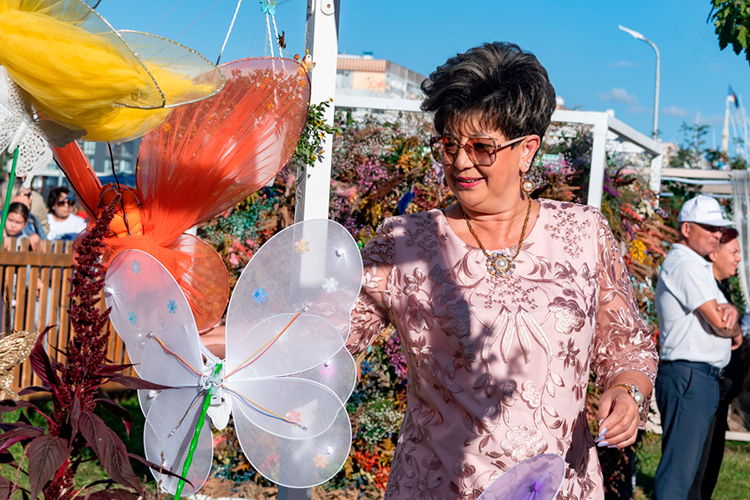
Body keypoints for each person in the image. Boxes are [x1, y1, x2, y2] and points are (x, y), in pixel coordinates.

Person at [347, 42, 658, 500]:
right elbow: (327, 334)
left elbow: (628, 347)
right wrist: (224, 341)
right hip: (437, 488)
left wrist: (628, 392)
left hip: (558, 488)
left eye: (481, 147)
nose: (459, 162)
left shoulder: (584, 234)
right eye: (448, 144)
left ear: (527, 149)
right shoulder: (405, 242)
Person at [653, 195, 742, 500]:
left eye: (720, 228)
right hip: (690, 376)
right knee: (678, 477)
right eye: (710, 227)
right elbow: (722, 323)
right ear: (687, 228)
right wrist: (730, 321)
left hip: (697, 377)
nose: (717, 234)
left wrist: (732, 314)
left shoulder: (696, 264)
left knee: (688, 474)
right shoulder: (685, 263)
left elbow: (729, 318)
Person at [688, 228, 745, 500]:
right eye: (733, 252)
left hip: (720, 393)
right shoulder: (703, 286)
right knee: (695, 466)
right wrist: (735, 329)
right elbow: (726, 326)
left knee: (710, 460)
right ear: (714, 254)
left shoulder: (721, 287)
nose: (738, 259)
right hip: (704, 386)